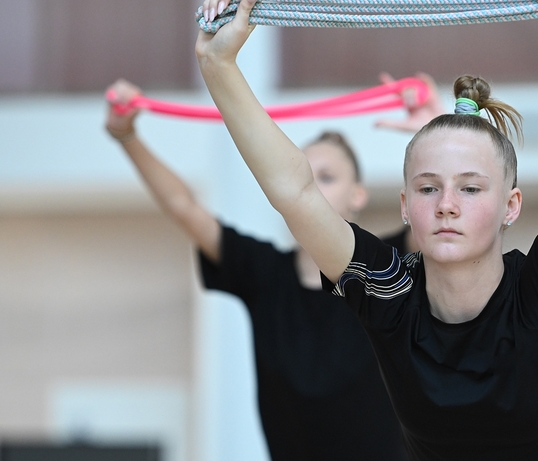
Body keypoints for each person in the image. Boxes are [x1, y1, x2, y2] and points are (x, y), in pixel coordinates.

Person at [196, 0, 538, 460]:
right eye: (428, 188)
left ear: (512, 206)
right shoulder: (388, 293)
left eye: (470, 187)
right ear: (405, 206)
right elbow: (296, 192)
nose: (446, 203)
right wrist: (218, 65)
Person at [104, 77, 439, 460]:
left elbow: (440, 215)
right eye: (302, 176)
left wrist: (436, 125)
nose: (310, 190)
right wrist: (126, 135)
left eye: (325, 178)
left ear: (357, 196)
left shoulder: (387, 266)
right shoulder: (264, 273)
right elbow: (183, 207)